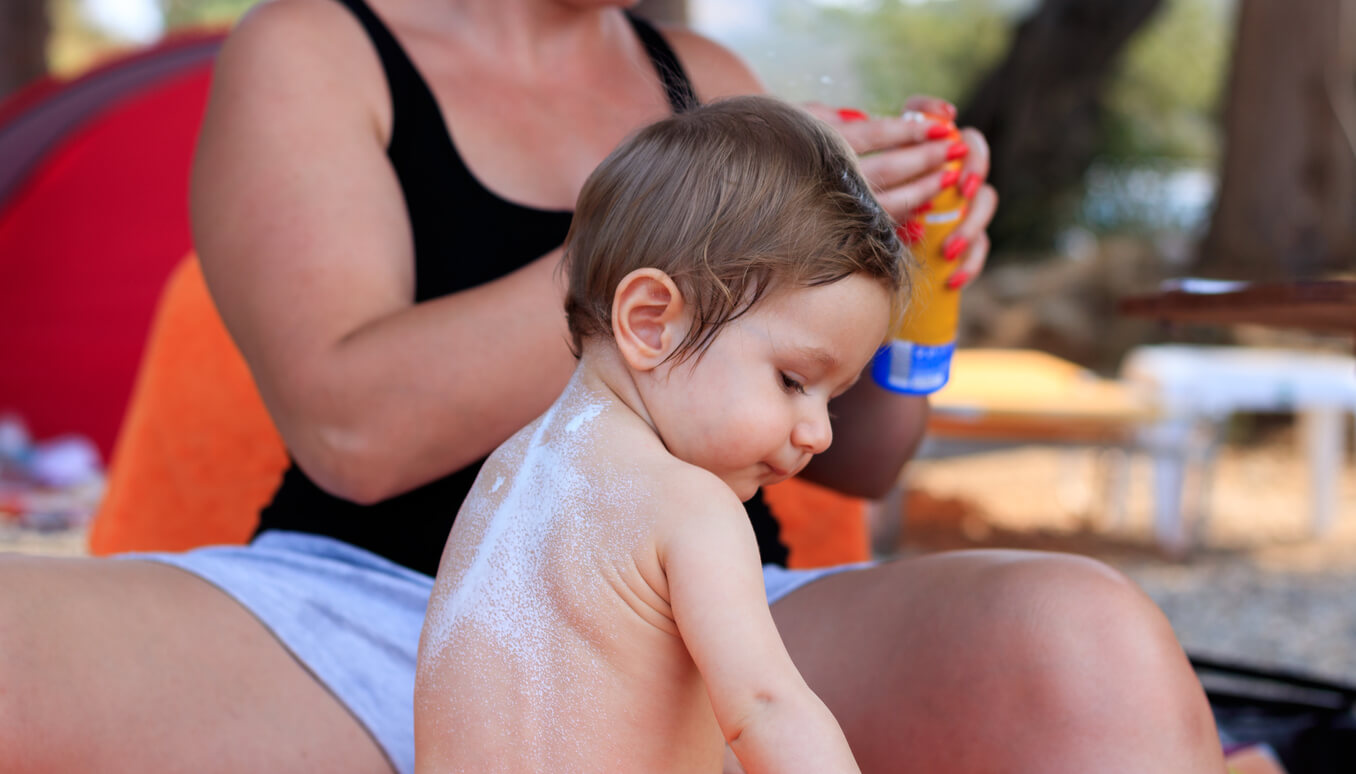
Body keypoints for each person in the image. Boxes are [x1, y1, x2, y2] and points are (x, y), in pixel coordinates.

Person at [0, 0, 1225, 773]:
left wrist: (922, 301)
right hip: (350, 611)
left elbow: (855, 455)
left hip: (708, 606)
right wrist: (685, 232)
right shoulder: (320, 44)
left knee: (1087, 634)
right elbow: (351, 431)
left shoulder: (704, 66)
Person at [415, 95, 905, 774]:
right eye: (793, 381)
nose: (818, 432)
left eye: (833, 400)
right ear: (651, 323)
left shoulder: (504, 478)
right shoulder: (689, 508)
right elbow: (766, 708)